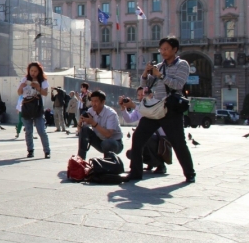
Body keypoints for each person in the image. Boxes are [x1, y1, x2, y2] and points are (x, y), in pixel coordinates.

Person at [127, 36, 196, 183]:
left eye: (166, 49)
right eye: (161, 49)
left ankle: (190, 173)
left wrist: (161, 75)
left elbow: (178, 85)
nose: (163, 52)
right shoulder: (160, 66)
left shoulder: (182, 65)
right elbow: (145, 86)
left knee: (178, 143)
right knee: (138, 137)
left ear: (174, 49)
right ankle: (135, 172)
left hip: (171, 109)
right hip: (155, 108)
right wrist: (146, 74)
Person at [120, 87, 168, 174]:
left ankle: (160, 164)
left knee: (147, 137)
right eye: (138, 95)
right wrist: (123, 108)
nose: (141, 97)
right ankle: (148, 163)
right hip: (147, 138)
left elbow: (147, 112)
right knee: (131, 152)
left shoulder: (155, 104)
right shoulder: (140, 107)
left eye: (143, 94)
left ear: (150, 95)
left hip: (160, 139)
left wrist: (133, 106)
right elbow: (129, 120)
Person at [76, 90, 123, 160]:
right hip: (100, 141)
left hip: (114, 143)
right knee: (84, 130)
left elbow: (108, 134)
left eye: (96, 101)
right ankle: (80, 160)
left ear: (103, 102)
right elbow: (80, 132)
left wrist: (93, 123)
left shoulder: (111, 114)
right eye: (92, 101)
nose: (93, 104)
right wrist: (80, 123)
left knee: (107, 143)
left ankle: (109, 162)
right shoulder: (90, 111)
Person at [18, 62, 51, 158]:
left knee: (41, 131)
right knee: (28, 131)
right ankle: (30, 150)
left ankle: (47, 151)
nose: (33, 73)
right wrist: (21, 86)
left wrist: (38, 88)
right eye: (31, 70)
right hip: (26, 106)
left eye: (35, 71)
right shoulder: (25, 79)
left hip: (37, 107)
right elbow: (19, 93)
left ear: (39, 71)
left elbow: (45, 93)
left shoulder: (43, 81)